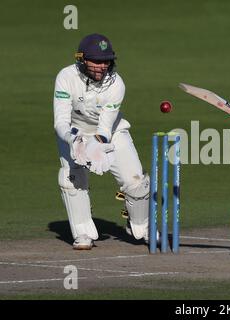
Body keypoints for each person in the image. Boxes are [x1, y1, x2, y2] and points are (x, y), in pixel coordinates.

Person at [53, 33, 152, 250]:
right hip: (73, 133)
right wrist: (75, 140)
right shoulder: (66, 77)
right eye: (96, 61)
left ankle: (141, 228)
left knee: (136, 182)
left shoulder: (116, 85)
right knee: (72, 180)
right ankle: (83, 233)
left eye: (106, 61)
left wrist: (97, 145)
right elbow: (60, 121)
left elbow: (105, 128)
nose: (102, 66)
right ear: (82, 59)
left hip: (110, 134)